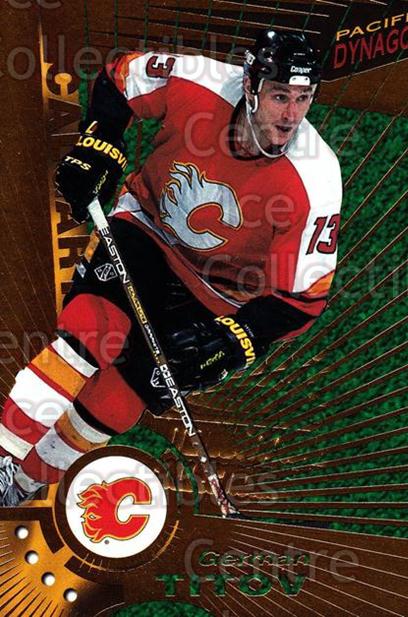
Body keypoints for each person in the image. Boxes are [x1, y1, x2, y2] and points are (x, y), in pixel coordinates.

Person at [0, 29, 342, 506]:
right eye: (280, 96)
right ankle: (3, 454)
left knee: (121, 398)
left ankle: (19, 486)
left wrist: (236, 340)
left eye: (303, 98)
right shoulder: (199, 82)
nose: (291, 115)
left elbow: (302, 299)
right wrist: (99, 143)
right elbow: (119, 79)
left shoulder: (316, 180)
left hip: (220, 295)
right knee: (92, 329)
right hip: (148, 230)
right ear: (250, 85)